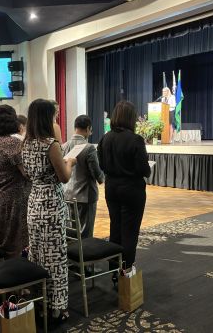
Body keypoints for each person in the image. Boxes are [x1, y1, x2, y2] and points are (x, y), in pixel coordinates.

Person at [22, 99, 76, 323]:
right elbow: (63, 177)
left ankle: (40, 300)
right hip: (51, 204)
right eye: (53, 114)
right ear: (46, 117)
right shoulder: (50, 144)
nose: (56, 118)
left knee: (37, 255)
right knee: (56, 257)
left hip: (34, 202)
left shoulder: (26, 144)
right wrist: (70, 162)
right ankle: (58, 308)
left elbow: (27, 174)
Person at [97, 100, 150, 278]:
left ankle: (114, 268)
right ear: (131, 118)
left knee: (116, 227)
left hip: (111, 188)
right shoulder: (135, 140)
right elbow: (144, 170)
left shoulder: (105, 138)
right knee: (130, 231)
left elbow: (101, 165)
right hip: (132, 190)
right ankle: (126, 271)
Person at [0, 105, 30, 258]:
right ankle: (17, 276)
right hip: (13, 198)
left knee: (1, 239)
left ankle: (3, 272)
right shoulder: (12, 143)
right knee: (15, 242)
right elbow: (26, 173)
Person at [62, 115, 104, 238]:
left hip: (68, 193)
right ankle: (84, 256)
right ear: (87, 128)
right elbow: (96, 172)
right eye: (90, 130)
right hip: (85, 195)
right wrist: (102, 178)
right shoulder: (89, 147)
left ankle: (74, 254)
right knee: (86, 232)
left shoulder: (64, 146)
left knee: (71, 230)